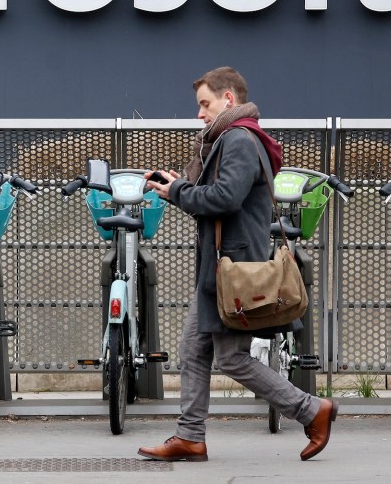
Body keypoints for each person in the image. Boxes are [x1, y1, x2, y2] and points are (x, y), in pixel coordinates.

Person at [136, 67, 337, 462]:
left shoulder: (240, 140)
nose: (199, 114)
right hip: (220, 268)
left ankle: (312, 410)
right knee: (193, 349)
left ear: (229, 99)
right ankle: (190, 436)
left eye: (204, 104)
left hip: (234, 271)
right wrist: (180, 188)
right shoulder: (228, 140)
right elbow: (217, 195)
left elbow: (225, 198)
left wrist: (179, 190)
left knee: (231, 358)